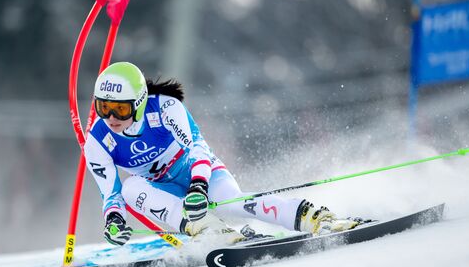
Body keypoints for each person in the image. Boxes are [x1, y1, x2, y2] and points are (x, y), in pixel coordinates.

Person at [84, 62, 359, 246]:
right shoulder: (97, 140)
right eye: (102, 107)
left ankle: (313, 217)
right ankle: (209, 230)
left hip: (200, 172)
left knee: (229, 203)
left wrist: (198, 186)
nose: (110, 117)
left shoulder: (166, 108)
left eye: (120, 109)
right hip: (162, 190)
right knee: (131, 187)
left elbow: (197, 148)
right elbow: (111, 193)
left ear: (140, 102)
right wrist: (114, 220)